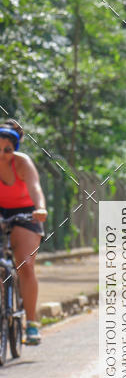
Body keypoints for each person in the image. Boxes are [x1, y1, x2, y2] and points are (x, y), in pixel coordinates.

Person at [0, 119, 47, 345]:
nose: (2, 153)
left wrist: (40, 208)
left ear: (15, 149)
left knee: (25, 265)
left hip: (27, 213)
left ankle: (31, 324)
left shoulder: (23, 163)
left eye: (7, 149)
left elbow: (35, 188)